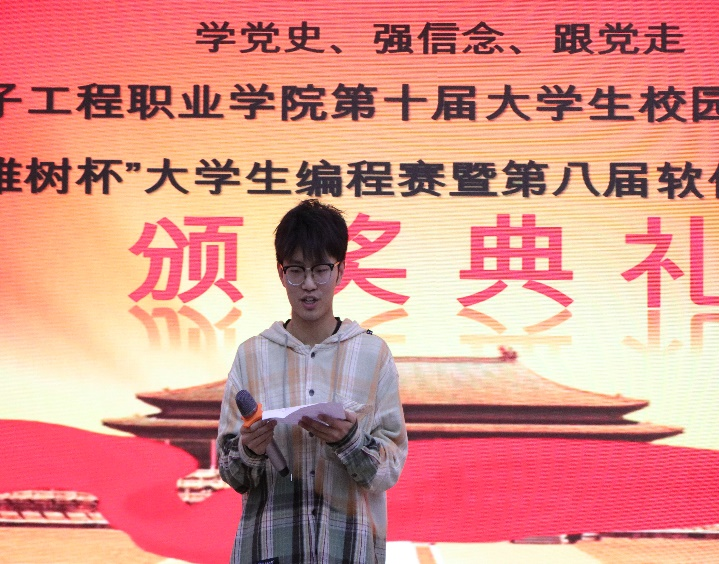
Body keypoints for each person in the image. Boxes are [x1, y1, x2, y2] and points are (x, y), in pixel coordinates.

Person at [217, 199, 408, 564]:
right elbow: (231, 472)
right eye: (296, 270)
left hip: (347, 551)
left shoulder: (373, 355)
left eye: (320, 270)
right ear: (280, 272)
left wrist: (350, 441)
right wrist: (250, 449)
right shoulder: (251, 356)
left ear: (340, 270)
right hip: (269, 549)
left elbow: (390, 468)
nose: (308, 285)